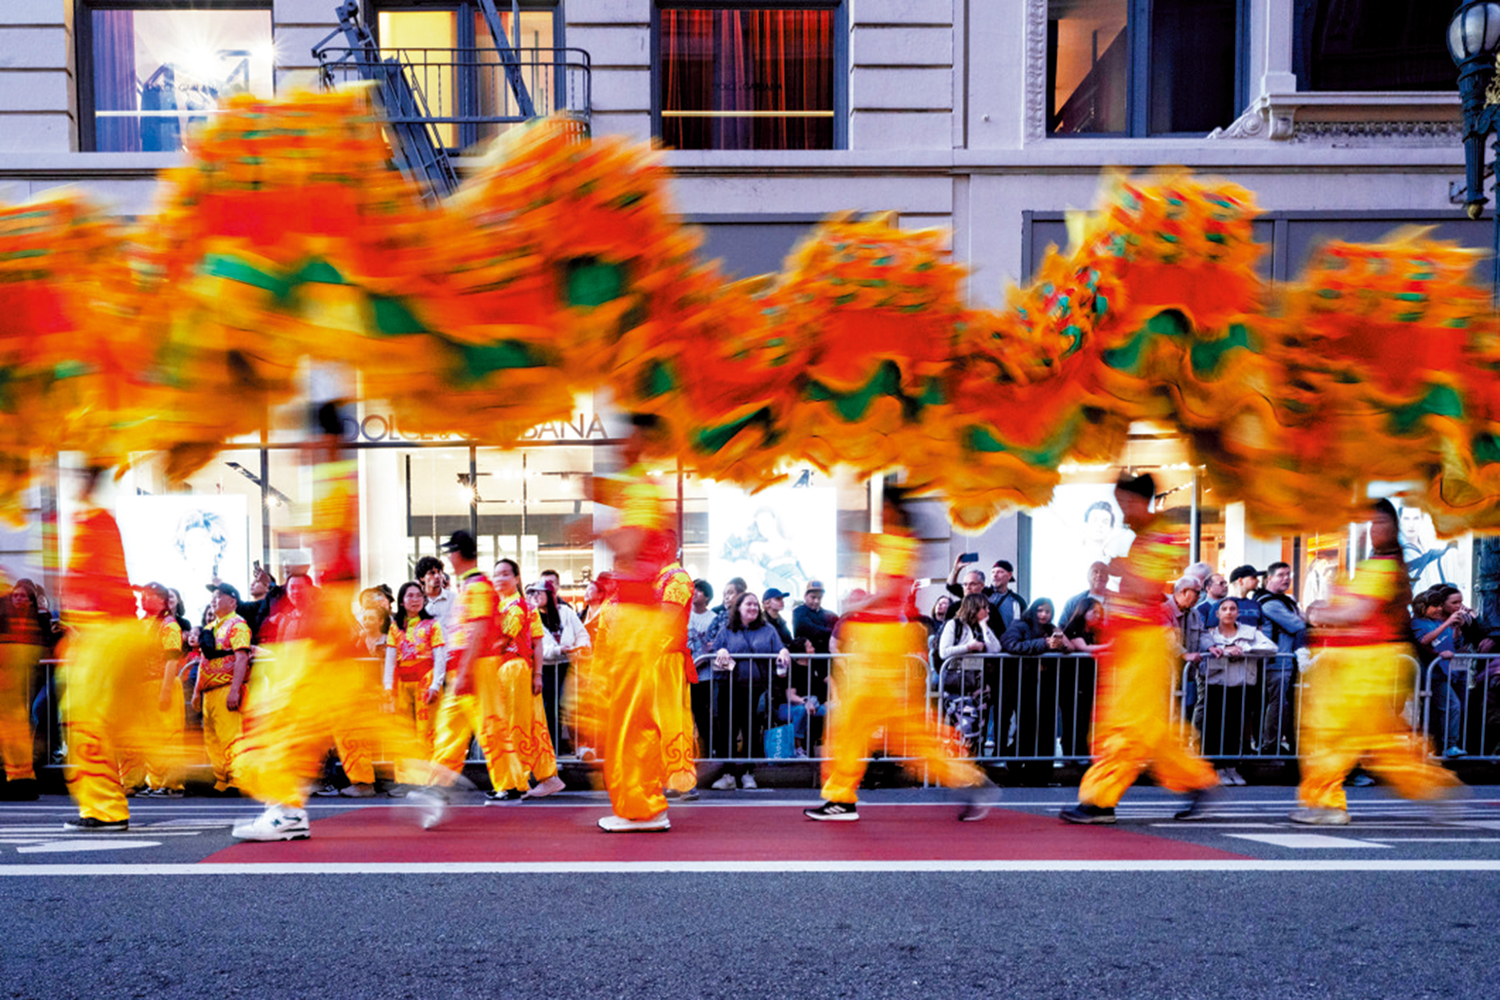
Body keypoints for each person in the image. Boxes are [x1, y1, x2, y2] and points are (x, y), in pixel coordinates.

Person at [804, 487, 993, 822]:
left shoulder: (899, 544)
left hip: (882, 646)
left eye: (883, 509)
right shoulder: (899, 541)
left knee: (860, 724)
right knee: (884, 726)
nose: (880, 514)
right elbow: (868, 543)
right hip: (885, 643)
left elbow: (890, 588)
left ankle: (843, 799)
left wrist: (858, 605)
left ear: (891, 510)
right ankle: (967, 780)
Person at [1060, 472, 1218, 825]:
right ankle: (1198, 781)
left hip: (1145, 645)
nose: (1123, 512)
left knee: (1127, 726)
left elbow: (1145, 589)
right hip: (1132, 643)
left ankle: (1100, 801)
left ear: (1140, 501)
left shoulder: (1161, 536)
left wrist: (1118, 571)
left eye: (1124, 504)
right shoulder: (1144, 537)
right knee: (1144, 728)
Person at [1293, 499, 1462, 825]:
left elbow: (1358, 612)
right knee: (1376, 737)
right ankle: (1432, 784)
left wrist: (1320, 613)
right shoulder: (1373, 565)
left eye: (1380, 524)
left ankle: (1328, 804)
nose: (1373, 530)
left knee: (1338, 735)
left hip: (1370, 664)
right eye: (1369, 524)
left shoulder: (1385, 567)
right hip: (1359, 662)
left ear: (1393, 528)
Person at [60, 466, 163, 832]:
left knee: (90, 724)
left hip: (106, 636)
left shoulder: (96, 521)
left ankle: (105, 809)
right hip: (103, 637)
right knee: (92, 722)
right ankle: (101, 806)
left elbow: (91, 590)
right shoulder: (92, 519)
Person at [485, 558, 565, 802]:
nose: (500, 578)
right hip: (509, 671)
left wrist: (538, 674)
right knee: (530, 723)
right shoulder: (504, 607)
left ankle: (513, 783)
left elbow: (526, 643)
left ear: (516, 578)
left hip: (512, 670)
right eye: (496, 574)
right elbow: (536, 643)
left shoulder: (518, 607)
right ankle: (544, 776)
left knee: (512, 725)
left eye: (506, 574)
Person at [710, 591, 791, 790]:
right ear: (738, 608)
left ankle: (748, 773)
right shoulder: (727, 630)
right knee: (727, 731)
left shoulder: (768, 629)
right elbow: (714, 652)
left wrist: (783, 651)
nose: (753, 608)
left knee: (751, 731)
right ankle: (727, 774)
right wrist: (720, 651)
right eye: (749, 604)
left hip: (756, 689)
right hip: (728, 687)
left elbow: (780, 648)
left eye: (755, 605)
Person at [1197, 599, 1276, 783]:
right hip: (1216, 684)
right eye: (1224, 609)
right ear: (1217, 614)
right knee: (1214, 728)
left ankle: (1231, 767)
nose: (1228, 612)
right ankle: (1216, 768)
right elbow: (1202, 653)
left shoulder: (1249, 633)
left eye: (1233, 609)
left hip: (1240, 684)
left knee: (1235, 727)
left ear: (1238, 613)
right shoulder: (1210, 635)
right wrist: (1225, 651)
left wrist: (1246, 650)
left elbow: (1271, 648)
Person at [190, 582, 252, 796]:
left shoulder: (238, 625)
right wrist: (196, 690)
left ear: (232, 601)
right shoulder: (209, 628)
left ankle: (237, 779)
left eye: (218, 596)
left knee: (230, 736)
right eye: (213, 597)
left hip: (226, 686)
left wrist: (235, 690)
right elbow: (203, 662)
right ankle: (221, 781)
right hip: (209, 690)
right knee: (213, 740)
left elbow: (242, 657)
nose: (213, 600)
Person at [384, 581, 446, 793]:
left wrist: (436, 683)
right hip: (402, 682)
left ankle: (428, 781)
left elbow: (440, 657)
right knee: (404, 732)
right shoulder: (395, 627)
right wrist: (387, 687)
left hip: (425, 682)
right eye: (410, 596)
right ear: (402, 601)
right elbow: (390, 659)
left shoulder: (432, 625)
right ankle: (405, 781)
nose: (415, 599)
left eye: (418, 595)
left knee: (426, 732)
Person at [999, 597, 1068, 782]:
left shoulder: (1053, 629)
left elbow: (1067, 649)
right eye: (1040, 610)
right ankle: (1016, 761)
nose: (1044, 615)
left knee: (1047, 727)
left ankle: (1042, 771)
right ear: (1033, 610)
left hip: (1047, 682)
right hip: (1025, 682)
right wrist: (1043, 644)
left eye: (1048, 611)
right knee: (1028, 725)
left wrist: (1061, 646)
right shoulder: (1020, 625)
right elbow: (1010, 645)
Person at [0, 580, 52, 800]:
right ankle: (17, 778)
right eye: (16, 595)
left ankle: (23, 779)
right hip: (10, 683)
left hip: (25, 681)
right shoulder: (5, 620)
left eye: (23, 596)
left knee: (22, 727)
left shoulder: (39, 619)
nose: (18, 599)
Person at [135, 582, 187, 797]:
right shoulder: (142, 624)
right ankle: (155, 781)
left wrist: (165, 690)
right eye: (144, 595)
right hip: (144, 686)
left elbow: (172, 659)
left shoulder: (169, 625)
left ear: (162, 601)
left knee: (168, 735)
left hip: (162, 682)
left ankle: (171, 783)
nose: (144, 599)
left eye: (150, 596)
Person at [529, 578, 589, 757]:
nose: (535, 596)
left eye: (538, 592)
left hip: (567, 666)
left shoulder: (566, 612)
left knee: (569, 706)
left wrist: (581, 646)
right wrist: (556, 650)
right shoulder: (532, 616)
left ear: (549, 594)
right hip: (546, 669)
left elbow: (581, 633)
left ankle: (578, 746)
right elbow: (535, 646)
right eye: (532, 593)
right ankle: (550, 750)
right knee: (549, 708)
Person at [1411, 584, 1472, 759]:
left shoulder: (1438, 622)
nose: (1439, 609)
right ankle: (1449, 745)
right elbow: (1424, 640)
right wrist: (1447, 622)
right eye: (1434, 606)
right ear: (1423, 607)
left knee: (1445, 709)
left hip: (1443, 673)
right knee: (1451, 706)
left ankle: (1443, 746)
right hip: (1431, 675)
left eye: (1440, 606)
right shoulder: (1417, 622)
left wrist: (1457, 627)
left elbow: (1452, 642)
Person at [1257, 561, 1308, 755]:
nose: (1286, 579)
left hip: (1287, 662)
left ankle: (1277, 744)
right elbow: (1298, 624)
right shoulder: (1270, 603)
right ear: (1269, 578)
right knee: (1278, 704)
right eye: (1280, 575)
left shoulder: (1286, 601)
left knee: (1284, 705)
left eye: (1288, 574)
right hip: (1277, 663)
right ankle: (1271, 745)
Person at [1058, 597, 1105, 760]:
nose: (1098, 615)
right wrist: (1110, 647)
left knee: (1085, 716)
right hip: (1072, 679)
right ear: (1083, 612)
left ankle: (1082, 752)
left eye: (1100, 612)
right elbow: (1083, 647)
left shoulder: (1096, 631)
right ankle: (1070, 753)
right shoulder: (1073, 628)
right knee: (1072, 717)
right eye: (1094, 612)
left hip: (1088, 679)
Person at [685, 579, 717, 767]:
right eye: (693, 590)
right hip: (685, 673)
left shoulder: (712, 618)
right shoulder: (685, 615)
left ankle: (706, 754)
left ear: (707, 596)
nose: (694, 593)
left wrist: (698, 663)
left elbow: (712, 646)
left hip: (704, 675)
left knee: (703, 714)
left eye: (699, 591)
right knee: (686, 714)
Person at [1060, 562, 1110, 633]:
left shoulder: (1118, 601)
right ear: (1088, 577)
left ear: (1107, 578)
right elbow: (1061, 629)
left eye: (1103, 572)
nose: (1099, 575)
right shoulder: (1073, 602)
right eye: (1095, 572)